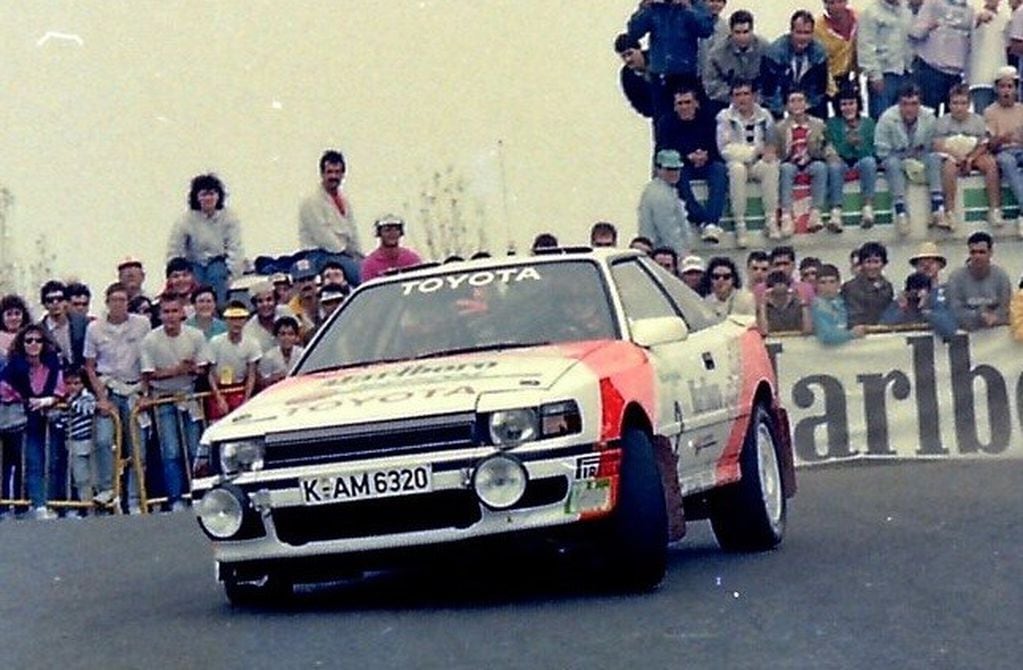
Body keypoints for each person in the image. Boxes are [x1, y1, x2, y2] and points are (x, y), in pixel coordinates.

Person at [83, 282, 152, 514]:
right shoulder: (95, 329)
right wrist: (101, 397)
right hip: (109, 388)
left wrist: (145, 391)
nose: (119, 304)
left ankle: (134, 498)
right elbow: (90, 366)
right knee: (103, 441)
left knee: (137, 448)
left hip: (134, 389)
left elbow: (147, 360)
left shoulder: (142, 324)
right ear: (107, 303)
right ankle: (108, 491)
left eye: (123, 300)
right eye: (114, 300)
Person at [139, 293, 211, 511]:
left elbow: (204, 367)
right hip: (163, 399)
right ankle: (176, 497)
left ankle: (198, 493)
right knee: (170, 452)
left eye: (174, 311)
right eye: (166, 312)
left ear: (182, 313)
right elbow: (149, 374)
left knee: (194, 448)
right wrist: (179, 370)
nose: (170, 317)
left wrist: (191, 369)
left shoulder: (195, 335)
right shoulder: (151, 340)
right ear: (160, 315)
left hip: (189, 396)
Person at [0, 325, 65, 519]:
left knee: (53, 460)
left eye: (38, 340)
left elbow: (61, 389)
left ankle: (51, 502)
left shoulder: (53, 364)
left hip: (48, 419)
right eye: (29, 340)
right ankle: (38, 505)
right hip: (22, 422)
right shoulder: (14, 367)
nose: (34, 344)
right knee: (31, 461)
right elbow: (4, 389)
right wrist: (25, 399)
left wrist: (49, 400)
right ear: (22, 344)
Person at [655, 88, 727, 242]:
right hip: (682, 165)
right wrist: (688, 157)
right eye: (680, 103)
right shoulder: (666, 123)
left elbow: (718, 147)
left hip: (707, 163)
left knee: (720, 170)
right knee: (676, 174)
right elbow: (662, 152)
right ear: (675, 106)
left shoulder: (708, 119)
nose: (684, 107)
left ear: (696, 103)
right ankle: (702, 219)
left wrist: (705, 155)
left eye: (687, 102)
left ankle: (712, 222)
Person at [626, 0, 715, 121]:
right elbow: (633, 33)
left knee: (691, 119)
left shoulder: (694, 3)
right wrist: (644, 8)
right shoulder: (653, 7)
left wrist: (687, 7)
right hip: (660, 75)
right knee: (662, 121)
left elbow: (706, 30)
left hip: (686, 73)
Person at [716, 80, 781, 246]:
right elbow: (725, 149)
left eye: (746, 94)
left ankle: (771, 220)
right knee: (737, 170)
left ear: (754, 96)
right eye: (737, 95)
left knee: (771, 166)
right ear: (732, 98)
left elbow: (772, 140)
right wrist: (753, 152)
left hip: (759, 162)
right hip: (737, 162)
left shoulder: (765, 115)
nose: (742, 99)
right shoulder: (725, 117)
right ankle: (740, 224)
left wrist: (769, 151)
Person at [166, 173, 244, 307]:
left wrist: (232, 274)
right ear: (196, 197)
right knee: (194, 281)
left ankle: (218, 311)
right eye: (203, 194)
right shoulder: (185, 221)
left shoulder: (229, 218)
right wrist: (175, 275)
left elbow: (235, 248)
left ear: (219, 196)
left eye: (212, 193)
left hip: (218, 262)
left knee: (217, 275)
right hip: (194, 263)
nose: (208, 198)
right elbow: (175, 249)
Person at [874, 83, 942, 234]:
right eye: (905, 104)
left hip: (920, 155)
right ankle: (901, 211)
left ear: (920, 104)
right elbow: (881, 150)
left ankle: (937, 207)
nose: (909, 109)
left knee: (934, 158)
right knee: (891, 163)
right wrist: (905, 155)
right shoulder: (887, 119)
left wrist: (917, 153)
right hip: (895, 158)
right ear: (898, 104)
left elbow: (932, 144)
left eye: (914, 104)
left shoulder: (929, 117)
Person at [932, 83, 1002, 231]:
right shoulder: (941, 122)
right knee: (948, 168)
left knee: (991, 164)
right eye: (955, 103)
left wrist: (970, 158)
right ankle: (950, 212)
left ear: (969, 104)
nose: (959, 107)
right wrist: (957, 156)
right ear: (949, 104)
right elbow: (937, 145)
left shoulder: (978, 120)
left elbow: (984, 143)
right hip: (952, 155)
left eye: (963, 103)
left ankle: (995, 209)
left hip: (974, 154)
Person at [298, 149, 363, 286]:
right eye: (329, 172)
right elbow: (324, 237)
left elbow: (353, 232)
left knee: (370, 268)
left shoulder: (344, 201)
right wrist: (349, 255)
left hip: (343, 254)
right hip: (320, 255)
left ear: (343, 174)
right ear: (322, 174)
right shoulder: (311, 201)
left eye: (337, 172)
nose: (334, 176)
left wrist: (360, 255)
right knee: (361, 276)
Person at [775, 89, 832, 235]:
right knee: (786, 169)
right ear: (787, 106)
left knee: (820, 168)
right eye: (792, 101)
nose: (797, 104)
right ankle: (786, 215)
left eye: (800, 100)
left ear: (806, 104)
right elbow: (776, 151)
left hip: (811, 160)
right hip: (790, 161)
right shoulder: (780, 127)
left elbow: (826, 146)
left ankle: (815, 213)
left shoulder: (818, 124)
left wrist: (830, 156)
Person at [826, 82, 878, 228]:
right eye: (844, 104)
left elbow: (872, 150)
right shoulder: (832, 124)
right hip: (841, 161)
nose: (848, 108)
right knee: (834, 167)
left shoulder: (869, 123)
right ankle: (836, 212)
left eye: (851, 103)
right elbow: (833, 148)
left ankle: (867, 208)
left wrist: (858, 145)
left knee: (869, 162)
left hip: (862, 160)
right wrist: (847, 143)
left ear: (858, 104)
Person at [909, 0, 974, 115]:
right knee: (928, 118)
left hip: (956, 76)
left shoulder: (970, 11)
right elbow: (915, 33)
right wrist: (928, 26)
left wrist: (967, 78)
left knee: (952, 122)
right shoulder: (931, 3)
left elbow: (970, 47)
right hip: (931, 71)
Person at [763, 10, 830, 119]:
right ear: (791, 32)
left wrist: (804, 108)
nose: (803, 37)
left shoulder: (819, 52)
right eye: (798, 32)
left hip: (808, 102)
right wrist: (785, 111)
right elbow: (770, 91)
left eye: (807, 33)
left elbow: (819, 89)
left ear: (813, 33)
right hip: (779, 102)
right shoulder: (775, 52)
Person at [702, 9, 769, 116]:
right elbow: (711, 84)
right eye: (737, 32)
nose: (742, 37)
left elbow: (771, 80)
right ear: (731, 32)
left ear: (752, 31)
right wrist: (737, 97)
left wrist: (754, 97)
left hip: (758, 100)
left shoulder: (765, 48)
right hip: (725, 101)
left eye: (746, 32)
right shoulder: (716, 52)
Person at [858, 0, 913, 119]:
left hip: (906, 73)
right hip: (883, 76)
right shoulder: (871, 13)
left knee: (904, 120)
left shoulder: (907, 10)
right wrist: (874, 75)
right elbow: (865, 46)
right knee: (882, 119)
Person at [946, 231, 1013, 330]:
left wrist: (995, 317)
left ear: (990, 253)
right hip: (966, 332)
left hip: (997, 333)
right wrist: (979, 316)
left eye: (982, 252)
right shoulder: (956, 278)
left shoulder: (1001, 277)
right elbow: (954, 310)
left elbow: (1007, 307)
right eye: (973, 252)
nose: (977, 256)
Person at [207, 302, 261, 423]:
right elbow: (211, 373)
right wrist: (219, 397)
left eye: (240, 319)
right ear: (226, 321)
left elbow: (252, 374)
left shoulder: (252, 343)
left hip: (239, 389)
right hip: (219, 390)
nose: (236, 323)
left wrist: (246, 400)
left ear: (245, 321)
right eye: (232, 319)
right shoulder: (215, 342)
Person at [986, 65, 1023, 238]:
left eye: (1010, 86)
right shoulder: (990, 111)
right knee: (1007, 162)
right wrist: (1003, 138)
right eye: (1002, 87)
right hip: (1002, 152)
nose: (1006, 91)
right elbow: (990, 145)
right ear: (996, 89)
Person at [637, 149, 691, 255]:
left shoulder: (662, 189)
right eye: (669, 169)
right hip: (662, 254)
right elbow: (669, 232)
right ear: (657, 169)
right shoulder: (660, 195)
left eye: (677, 169)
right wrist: (682, 255)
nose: (674, 173)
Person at [61, 367, 98, 514]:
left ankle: (99, 506)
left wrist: (72, 403)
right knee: (80, 478)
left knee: (94, 477)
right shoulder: (65, 400)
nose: (73, 387)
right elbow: (63, 422)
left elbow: (88, 409)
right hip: (74, 444)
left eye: (77, 383)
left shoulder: (88, 397)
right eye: (69, 383)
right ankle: (87, 506)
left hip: (89, 442)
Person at [880, 271, 958, 338]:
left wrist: (925, 311)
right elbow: (883, 326)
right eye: (913, 291)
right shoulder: (899, 304)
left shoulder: (936, 303)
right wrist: (902, 308)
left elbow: (949, 329)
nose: (916, 296)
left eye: (920, 290)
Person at [816, 0, 860, 108]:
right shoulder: (817, 28)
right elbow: (820, 60)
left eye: (840, 1)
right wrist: (832, 89)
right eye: (831, 3)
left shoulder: (858, 19)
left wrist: (858, 77)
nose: (836, 7)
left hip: (848, 76)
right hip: (824, 77)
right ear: (825, 5)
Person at [968, 0, 1009, 114]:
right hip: (980, 80)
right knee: (982, 122)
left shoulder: (1006, 16)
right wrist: (979, 19)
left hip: (1001, 79)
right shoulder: (973, 12)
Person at [38, 280, 89, 370]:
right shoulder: (39, 330)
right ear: (45, 304)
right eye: (50, 300)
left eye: (59, 299)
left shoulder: (82, 324)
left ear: (66, 301)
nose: (55, 303)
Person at [842, 241, 895, 327]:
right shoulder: (850, 287)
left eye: (876, 262)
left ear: (884, 264)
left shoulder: (887, 287)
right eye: (868, 262)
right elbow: (853, 317)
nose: (872, 266)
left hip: (885, 333)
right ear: (861, 264)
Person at [812, 264, 865, 344]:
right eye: (822, 282)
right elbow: (826, 337)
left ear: (839, 283)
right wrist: (852, 334)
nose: (828, 286)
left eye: (832, 282)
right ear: (816, 285)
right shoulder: (817, 306)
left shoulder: (844, 302)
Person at [360, 215, 423, 282]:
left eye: (396, 229)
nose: (392, 234)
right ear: (379, 233)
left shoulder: (411, 258)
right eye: (387, 230)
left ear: (401, 233)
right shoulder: (370, 264)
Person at [614, 33, 654, 120]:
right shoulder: (627, 76)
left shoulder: (656, 58)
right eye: (623, 56)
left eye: (630, 53)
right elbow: (637, 103)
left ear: (639, 49)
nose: (628, 59)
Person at [258, 316, 304, 388]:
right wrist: (273, 378)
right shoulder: (268, 357)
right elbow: (262, 382)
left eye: (291, 334)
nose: (286, 338)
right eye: (283, 334)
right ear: (276, 336)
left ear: (296, 337)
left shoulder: (302, 354)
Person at [287, 258, 321, 338]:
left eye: (309, 279)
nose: (306, 284)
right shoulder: (290, 311)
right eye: (301, 280)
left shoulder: (327, 300)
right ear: (294, 284)